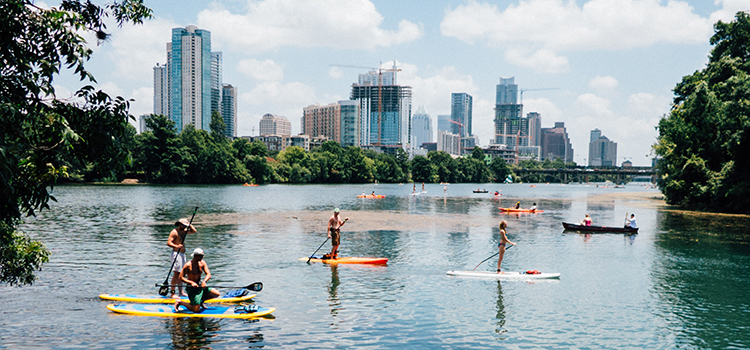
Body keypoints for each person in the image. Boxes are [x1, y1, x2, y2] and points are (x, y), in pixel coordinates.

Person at [174, 248, 220, 313]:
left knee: (216, 294)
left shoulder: (202, 263)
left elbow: (208, 274)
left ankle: (200, 302)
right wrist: (191, 282)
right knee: (196, 310)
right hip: (192, 288)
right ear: (195, 256)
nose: (202, 257)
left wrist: (204, 281)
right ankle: (180, 302)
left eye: (203, 255)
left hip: (200, 286)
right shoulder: (188, 265)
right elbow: (180, 277)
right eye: (201, 256)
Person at [167, 218, 197, 298]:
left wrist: (189, 224)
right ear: (179, 224)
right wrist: (176, 246)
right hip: (176, 254)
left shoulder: (184, 231)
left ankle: (181, 292)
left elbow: (194, 231)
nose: (185, 227)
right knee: (176, 273)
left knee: (181, 274)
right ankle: (172, 293)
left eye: (185, 225)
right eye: (183, 225)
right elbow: (169, 242)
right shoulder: (174, 232)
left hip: (182, 254)